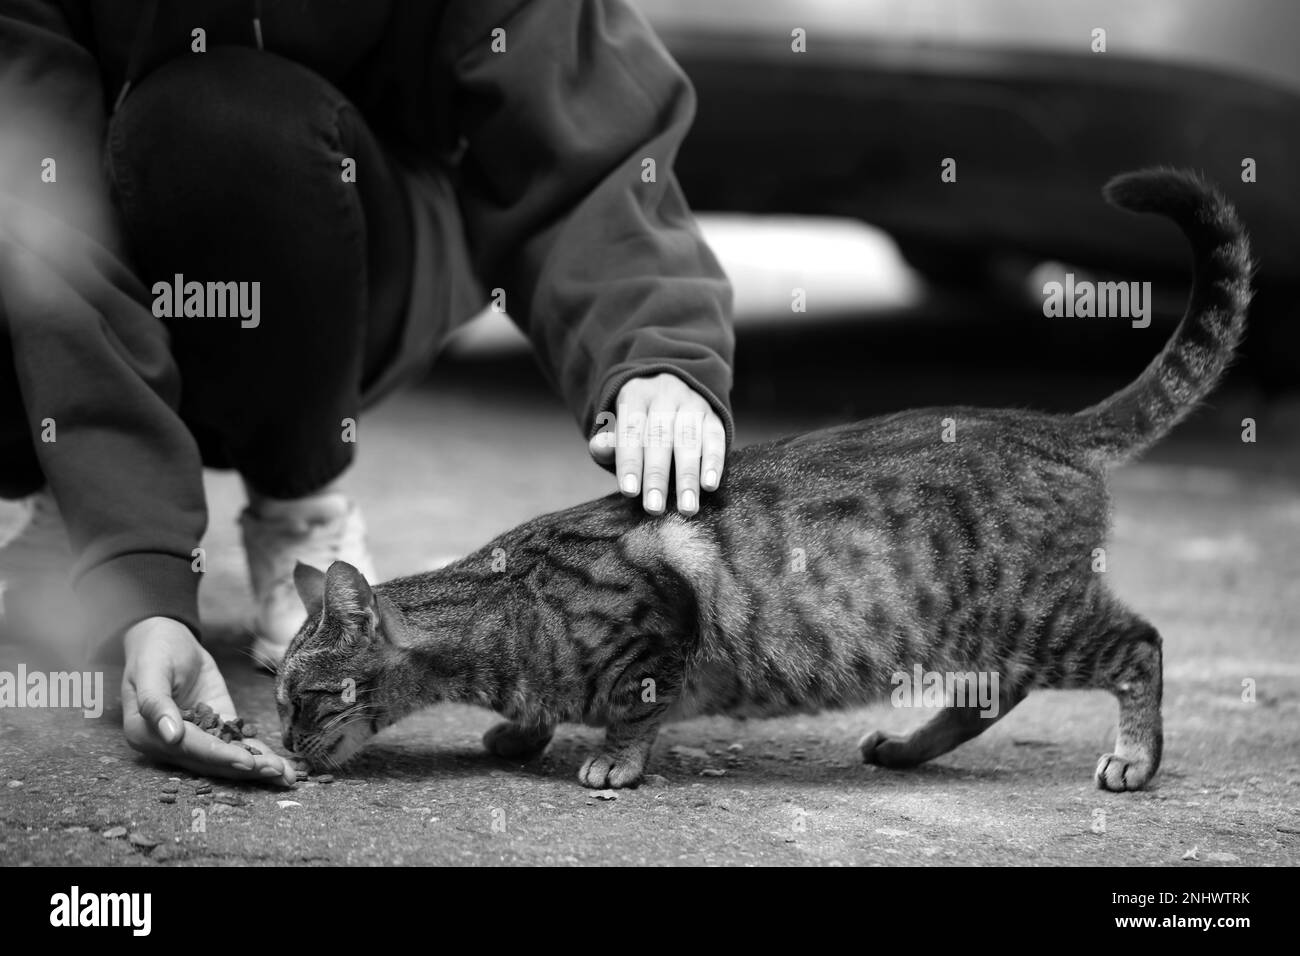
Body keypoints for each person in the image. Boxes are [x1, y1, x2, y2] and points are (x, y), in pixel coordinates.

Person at [0, 0, 735, 786]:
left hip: (328, 247)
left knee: (215, 121)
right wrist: (135, 568)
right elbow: (33, 200)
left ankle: (298, 490)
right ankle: (73, 489)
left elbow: (585, 143)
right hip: (60, 289)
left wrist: (653, 349)